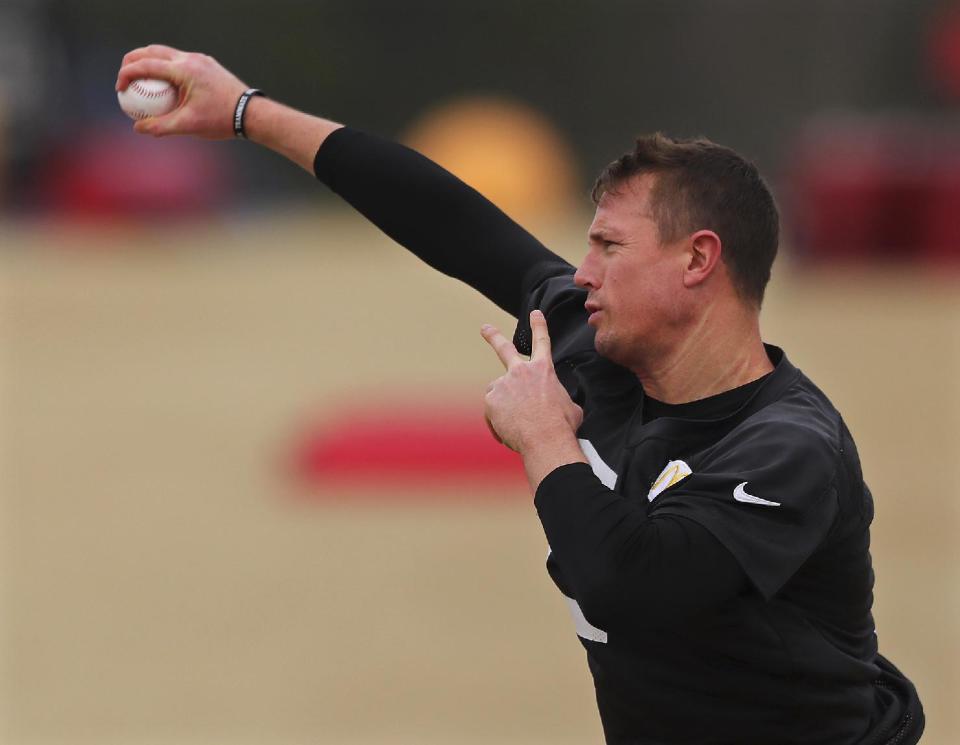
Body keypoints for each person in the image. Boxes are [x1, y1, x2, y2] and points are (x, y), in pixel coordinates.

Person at [116, 46, 925, 745]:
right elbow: (449, 218)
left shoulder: (786, 448)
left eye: (609, 246)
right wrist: (246, 112)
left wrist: (546, 439)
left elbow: (633, 586)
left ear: (697, 260)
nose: (582, 273)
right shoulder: (596, 346)